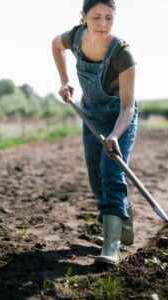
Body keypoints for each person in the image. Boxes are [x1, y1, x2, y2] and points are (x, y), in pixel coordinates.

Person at [51, 0, 139, 266]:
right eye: (96, 17)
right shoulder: (75, 37)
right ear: (84, 17)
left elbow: (127, 107)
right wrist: (64, 80)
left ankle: (110, 246)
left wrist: (114, 135)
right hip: (91, 115)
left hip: (118, 119)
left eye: (109, 18)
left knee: (111, 172)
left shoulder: (123, 54)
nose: (103, 24)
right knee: (96, 176)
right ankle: (122, 211)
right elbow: (55, 45)